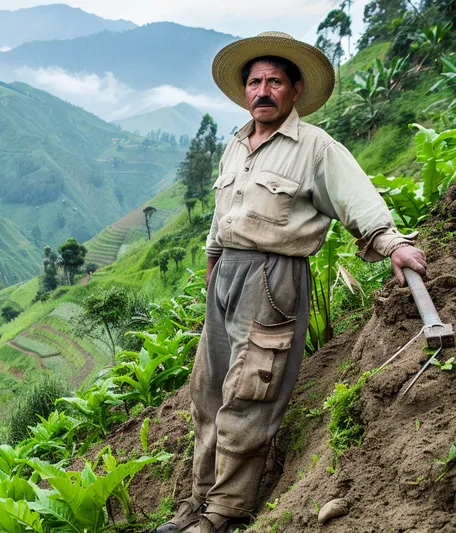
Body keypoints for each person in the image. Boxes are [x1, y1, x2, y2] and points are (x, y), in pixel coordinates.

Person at [155, 31, 427, 533]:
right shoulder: (236, 144)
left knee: (248, 395)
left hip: (272, 280)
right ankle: (195, 503)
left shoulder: (315, 148)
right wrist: (213, 272)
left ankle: (222, 514)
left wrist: (392, 245)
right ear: (244, 91)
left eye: (274, 81)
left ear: (295, 91)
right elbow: (221, 220)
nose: (262, 90)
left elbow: (358, 201)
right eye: (254, 81)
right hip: (225, 280)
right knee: (208, 394)